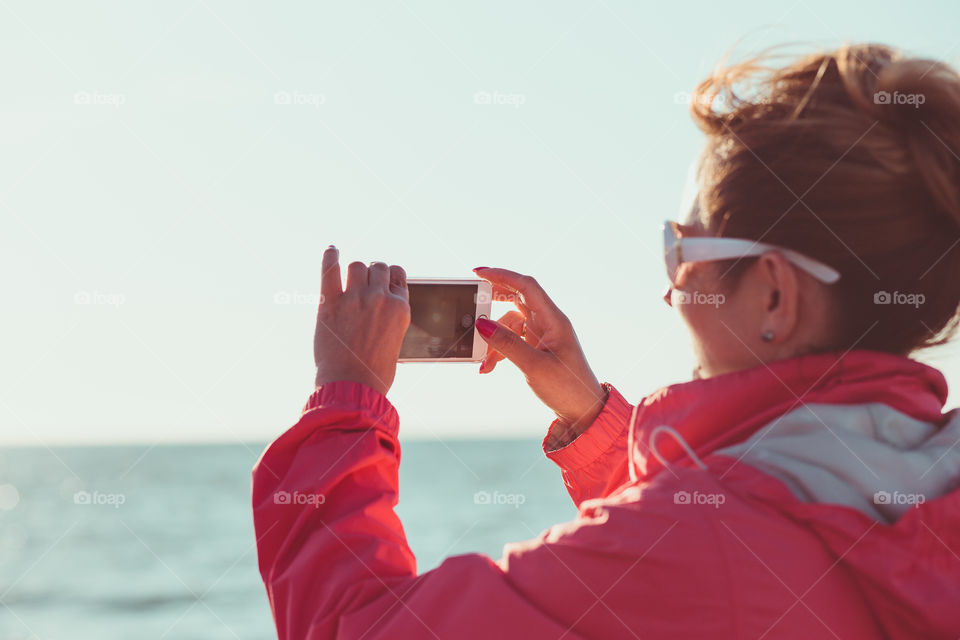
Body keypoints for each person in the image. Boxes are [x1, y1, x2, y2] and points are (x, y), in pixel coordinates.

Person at [252, 43, 960, 639]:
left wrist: (348, 397)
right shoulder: (923, 487)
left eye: (681, 252)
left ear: (775, 293)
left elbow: (351, 627)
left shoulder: (689, 552)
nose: (669, 290)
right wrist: (596, 425)